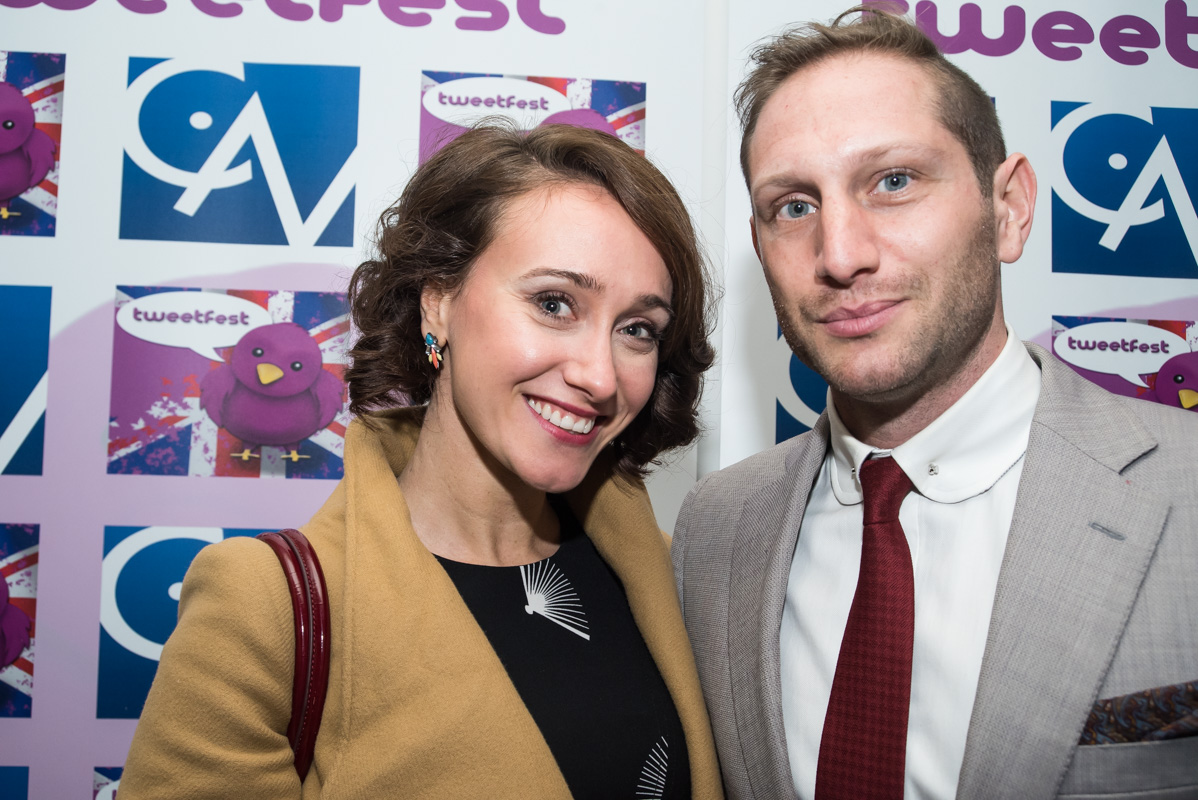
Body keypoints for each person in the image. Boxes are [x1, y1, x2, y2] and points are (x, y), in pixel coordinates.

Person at [672, 6, 1198, 800]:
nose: (840, 254)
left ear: (1009, 209)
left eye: (894, 181)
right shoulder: (716, 530)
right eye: (794, 206)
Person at [120, 123, 725, 799]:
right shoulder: (265, 609)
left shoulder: (667, 576)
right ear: (438, 301)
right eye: (554, 304)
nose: (600, 375)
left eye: (637, 329)